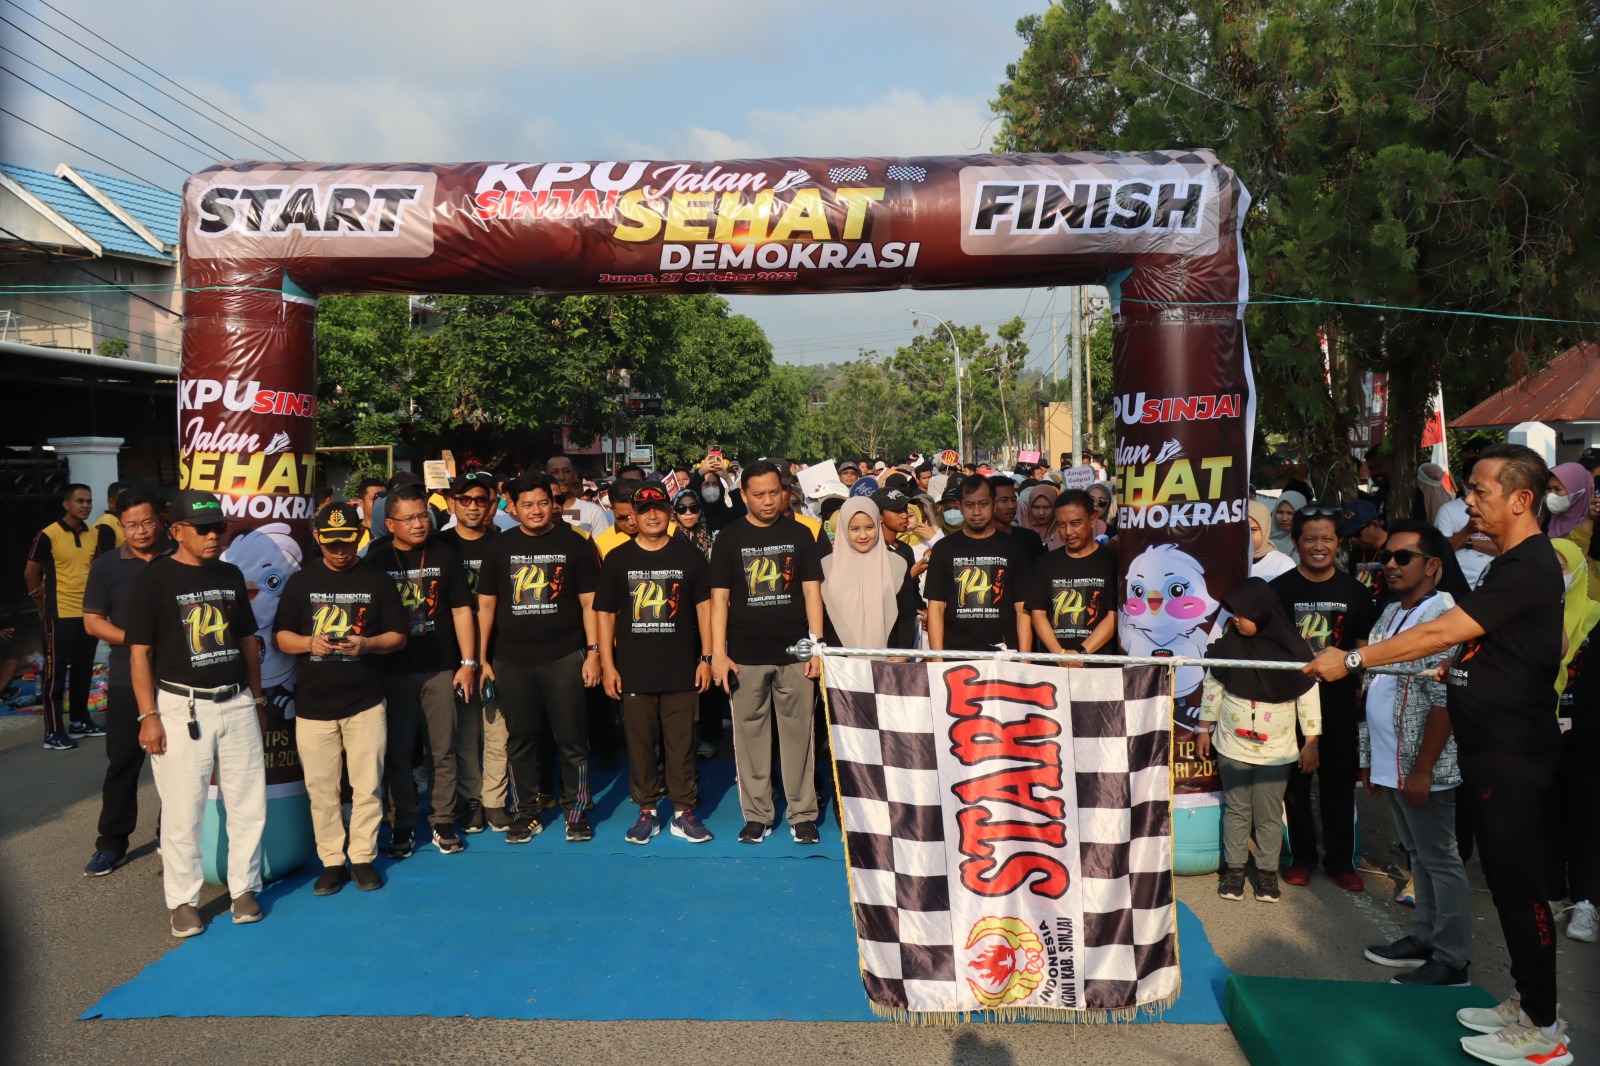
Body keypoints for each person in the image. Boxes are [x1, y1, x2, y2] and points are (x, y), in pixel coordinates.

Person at [1305, 444, 1571, 1063]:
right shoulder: (1510, 563)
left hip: (1511, 751)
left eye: (1479, 491)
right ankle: (1527, 1001)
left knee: (1519, 887)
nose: (1467, 501)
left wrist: (1353, 658)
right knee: (1503, 883)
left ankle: (1544, 1030)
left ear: (1521, 500)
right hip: (1491, 745)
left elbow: (1443, 631)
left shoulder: (1528, 562)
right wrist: (1469, 670)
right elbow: (1537, 643)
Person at [125, 490, 267, 938]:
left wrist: (258, 700)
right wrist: (148, 715)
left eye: (218, 528)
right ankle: (183, 901)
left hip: (237, 702)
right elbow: (140, 653)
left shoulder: (230, 573)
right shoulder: (153, 579)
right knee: (183, 809)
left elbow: (247, 642)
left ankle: (244, 888)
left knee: (248, 803)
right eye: (203, 529)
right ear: (177, 531)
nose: (213, 536)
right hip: (181, 706)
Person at [1356, 520, 1471, 987]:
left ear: (1433, 565)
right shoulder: (1390, 612)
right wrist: (1369, 759)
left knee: (1441, 859)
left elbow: (1445, 703)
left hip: (1425, 766)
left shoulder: (1447, 616)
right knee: (1418, 855)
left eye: (1403, 557)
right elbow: (1372, 687)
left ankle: (1453, 961)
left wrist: (1423, 769)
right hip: (1391, 760)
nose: (1390, 564)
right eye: (1387, 556)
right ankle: (1426, 939)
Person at [275, 502, 407, 893]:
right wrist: (308, 642)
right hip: (313, 705)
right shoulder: (300, 582)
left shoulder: (377, 579)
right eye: (331, 543)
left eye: (346, 542)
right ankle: (332, 860)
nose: (339, 551)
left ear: (359, 536)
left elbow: (398, 636)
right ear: (317, 539)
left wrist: (367, 644)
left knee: (367, 786)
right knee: (321, 789)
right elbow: (282, 637)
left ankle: (363, 857)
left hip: (366, 701)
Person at [477, 473, 602, 844]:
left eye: (543, 502)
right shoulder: (499, 547)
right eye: (527, 504)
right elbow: (486, 606)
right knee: (521, 740)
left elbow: (589, 603)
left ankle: (576, 812)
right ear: (513, 508)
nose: (536, 510)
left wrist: (593, 653)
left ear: (554, 504)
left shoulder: (575, 543)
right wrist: (481, 658)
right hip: (511, 660)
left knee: (572, 739)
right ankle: (526, 813)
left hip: (564, 656)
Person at [708, 460, 825, 845]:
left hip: (796, 655)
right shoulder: (728, 538)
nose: (769, 501)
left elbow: (812, 592)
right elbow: (719, 600)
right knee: (750, 739)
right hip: (745, 657)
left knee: (799, 738)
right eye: (759, 494)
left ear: (784, 492)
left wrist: (816, 647)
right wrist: (718, 653)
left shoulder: (801, 534)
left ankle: (803, 814)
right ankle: (757, 815)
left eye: (775, 492)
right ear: (743, 495)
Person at [595, 485, 714, 845]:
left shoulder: (689, 556)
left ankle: (683, 812)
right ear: (633, 513)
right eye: (644, 509)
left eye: (659, 508)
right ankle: (647, 810)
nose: (652, 515)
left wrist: (707, 657)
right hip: (633, 670)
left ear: (669, 512)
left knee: (682, 745)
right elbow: (605, 615)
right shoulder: (618, 559)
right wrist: (607, 664)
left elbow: (705, 609)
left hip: (681, 669)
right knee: (641, 745)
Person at [368, 484, 478, 858]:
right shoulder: (376, 559)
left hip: (440, 667)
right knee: (398, 753)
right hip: (393, 670)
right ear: (390, 524)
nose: (418, 524)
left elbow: (462, 610)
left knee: (443, 749)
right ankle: (402, 821)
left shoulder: (445, 554)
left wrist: (467, 663)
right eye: (409, 518)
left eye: (423, 516)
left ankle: (442, 819)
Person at [1197, 578, 1321, 904]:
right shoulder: (1229, 646)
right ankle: (1235, 870)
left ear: (1262, 613)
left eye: (1242, 614)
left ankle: (1267, 872)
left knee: (1268, 813)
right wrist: (1203, 728)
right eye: (1234, 613)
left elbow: (1308, 698)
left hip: (1277, 751)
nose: (1235, 619)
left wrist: (1311, 743)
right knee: (1237, 810)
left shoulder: (1295, 652)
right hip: (1231, 745)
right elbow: (1213, 686)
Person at [1272, 504, 1375, 891]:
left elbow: (1364, 649)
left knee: (1339, 787)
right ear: (1296, 541)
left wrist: (1362, 696)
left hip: (1339, 706)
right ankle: (1300, 858)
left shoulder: (1356, 592)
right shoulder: (1278, 591)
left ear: (1339, 543)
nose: (1319, 546)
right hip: (1289, 706)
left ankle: (1341, 862)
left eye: (1327, 539)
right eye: (1310, 538)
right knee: (1294, 790)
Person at [80, 490, 167, 876]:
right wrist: (135, 639)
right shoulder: (107, 566)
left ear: (160, 520)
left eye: (147, 522)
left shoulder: (180, 558)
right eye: (131, 525)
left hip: (178, 677)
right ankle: (112, 844)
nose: (141, 531)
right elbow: (92, 621)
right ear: (120, 526)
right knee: (123, 763)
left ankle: (171, 834)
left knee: (180, 764)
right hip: (124, 678)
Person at [438, 473, 509, 831]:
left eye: (480, 499)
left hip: (499, 652)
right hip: (455, 655)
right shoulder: (439, 546)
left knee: (498, 733)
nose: (472, 506)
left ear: (491, 504)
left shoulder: (504, 544)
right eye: (464, 499)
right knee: (465, 735)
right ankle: (471, 799)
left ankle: (495, 800)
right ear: (452, 503)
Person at [24, 482, 107, 749]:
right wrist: (40, 605)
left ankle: (80, 721)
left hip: (88, 613)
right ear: (66, 504)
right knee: (55, 674)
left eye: (89, 501)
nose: (86, 506)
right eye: (80, 501)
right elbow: (30, 572)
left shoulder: (94, 533)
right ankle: (52, 732)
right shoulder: (48, 534)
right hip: (59, 612)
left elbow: (98, 568)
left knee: (84, 668)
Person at [926, 475, 1033, 654]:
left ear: (993, 504)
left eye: (983, 504)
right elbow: (936, 608)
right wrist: (937, 659)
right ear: (960, 506)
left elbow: (1022, 608)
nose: (976, 512)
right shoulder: (943, 549)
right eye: (969, 505)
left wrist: (1025, 658)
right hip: (956, 654)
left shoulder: (1015, 548)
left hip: (1005, 655)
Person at [1551, 540, 1598, 944]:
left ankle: (1586, 902)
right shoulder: (1529, 616)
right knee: (1543, 814)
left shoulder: (1597, 618)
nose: (1553, 574)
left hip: (1589, 735)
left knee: (1585, 818)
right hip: (1537, 729)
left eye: (1560, 566)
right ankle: (1550, 892)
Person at [821, 498, 921, 650]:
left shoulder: (897, 564)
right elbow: (820, 616)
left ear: (878, 525)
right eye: (855, 529)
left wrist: (903, 652)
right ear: (843, 529)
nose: (863, 535)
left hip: (887, 658)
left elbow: (906, 614)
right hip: (839, 659)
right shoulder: (826, 567)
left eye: (869, 527)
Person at [1026, 490, 1117, 657]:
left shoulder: (1111, 562)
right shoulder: (1045, 562)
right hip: (1053, 665)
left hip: (1099, 664)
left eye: (1075, 523)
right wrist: (1060, 653)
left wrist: (1081, 652)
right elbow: (1038, 613)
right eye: (1061, 524)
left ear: (1092, 520)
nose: (1068, 532)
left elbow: (1113, 616)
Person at [1434, 457, 1498, 590]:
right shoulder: (1448, 510)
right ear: (1465, 480)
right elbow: (1442, 551)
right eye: (1472, 483)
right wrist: (1467, 530)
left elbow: (1500, 547)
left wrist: (1468, 542)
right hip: (1457, 586)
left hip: (1490, 584)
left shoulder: (1497, 509)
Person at [546, 454, 613, 534]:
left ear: (574, 475)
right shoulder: (539, 513)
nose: (561, 477)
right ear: (545, 475)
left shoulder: (593, 512)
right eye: (554, 472)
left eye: (566, 471)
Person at [1340, 499, 1389, 607]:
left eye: (1357, 533)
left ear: (1375, 524)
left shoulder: (1393, 548)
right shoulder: (1355, 554)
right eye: (1348, 535)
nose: (1353, 539)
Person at [1249, 499, 1295, 580]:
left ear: (1265, 529)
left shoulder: (1283, 564)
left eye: (1253, 530)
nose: (1247, 535)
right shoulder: (1228, 560)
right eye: (1240, 529)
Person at [1015, 483, 1061, 555]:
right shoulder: (1018, 534)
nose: (1041, 513)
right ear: (1029, 508)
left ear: (1054, 507)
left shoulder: (1063, 533)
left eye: (1046, 507)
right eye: (1036, 507)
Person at [92, 481, 128, 549]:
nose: (127, 502)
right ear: (110, 502)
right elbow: (104, 555)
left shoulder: (125, 520)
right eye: (123, 499)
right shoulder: (105, 524)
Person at [1271, 490, 1306, 557]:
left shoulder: (1307, 542)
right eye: (1280, 512)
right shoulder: (1263, 540)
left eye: (1290, 513)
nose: (1284, 518)